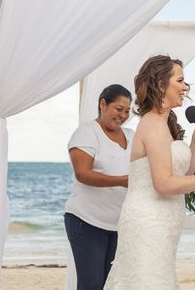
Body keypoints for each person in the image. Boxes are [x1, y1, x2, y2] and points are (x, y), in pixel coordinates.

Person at [105, 55, 195, 289]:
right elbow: (164, 184)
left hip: (164, 225)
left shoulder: (163, 124)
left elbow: (183, 177)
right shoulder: (152, 124)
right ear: (161, 84)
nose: (185, 87)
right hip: (148, 224)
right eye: (180, 81)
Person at [64, 84, 134, 290]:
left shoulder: (131, 135)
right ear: (102, 104)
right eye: (119, 109)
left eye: (128, 111)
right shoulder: (86, 133)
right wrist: (122, 180)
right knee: (91, 285)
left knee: (111, 284)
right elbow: (83, 174)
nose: (123, 115)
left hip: (119, 225)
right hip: (86, 222)